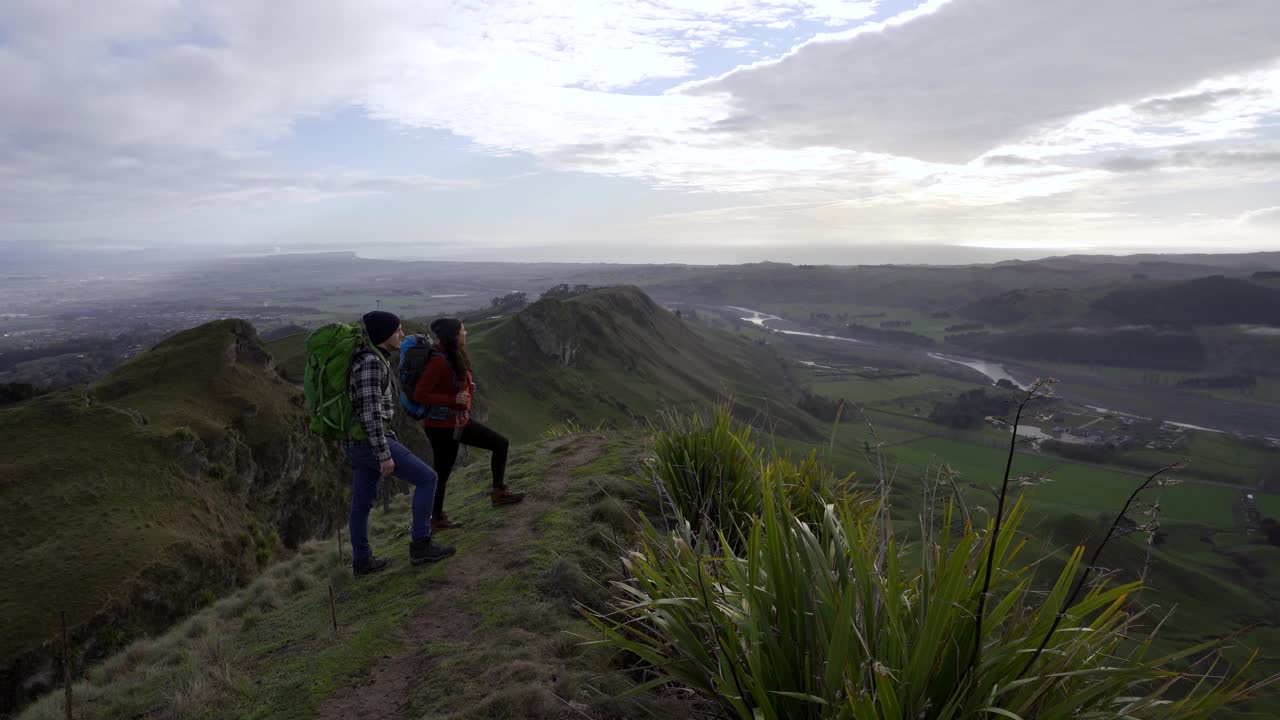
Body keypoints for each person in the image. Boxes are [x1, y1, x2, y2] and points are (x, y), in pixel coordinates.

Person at [344, 310, 455, 576]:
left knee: (360, 505)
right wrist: (383, 454)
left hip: (357, 444)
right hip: (371, 444)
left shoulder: (369, 359)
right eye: (397, 330)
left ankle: (361, 562)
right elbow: (369, 413)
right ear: (384, 335)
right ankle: (421, 544)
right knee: (428, 478)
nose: (402, 334)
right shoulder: (371, 363)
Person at [414, 317, 524, 529]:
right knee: (442, 472)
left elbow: (454, 384)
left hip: (458, 421)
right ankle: (435, 518)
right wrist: (452, 399)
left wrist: (466, 389)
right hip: (441, 427)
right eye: (463, 330)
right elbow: (420, 394)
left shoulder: (456, 354)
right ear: (453, 335)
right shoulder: (438, 360)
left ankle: (498, 492)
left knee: (500, 443)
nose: (466, 333)